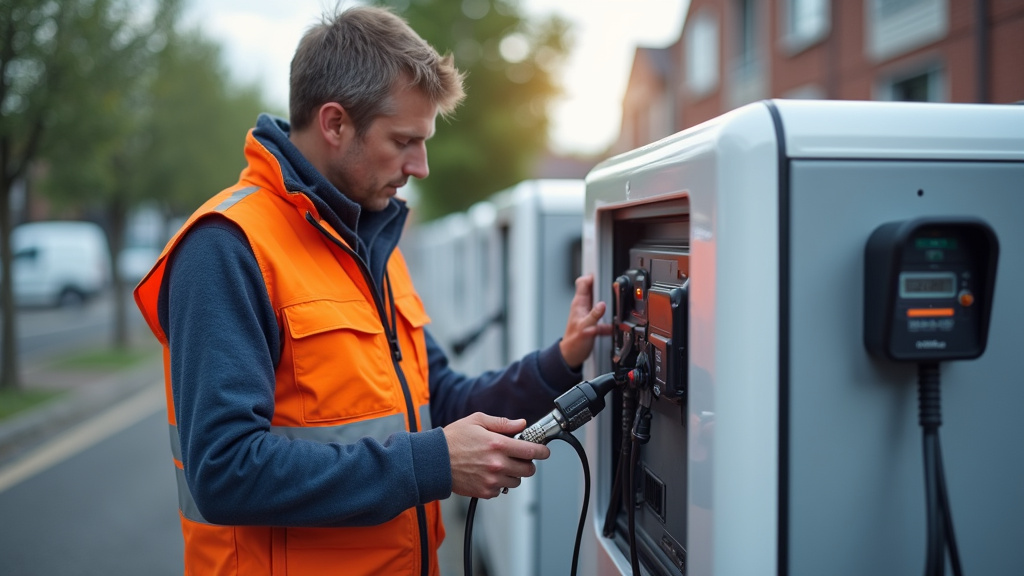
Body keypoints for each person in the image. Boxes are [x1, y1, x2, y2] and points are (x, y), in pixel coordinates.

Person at [134, 6, 609, 576]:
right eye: (404, 140)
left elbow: (443, 400)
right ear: (335, 124)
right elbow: (226, 470)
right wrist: (431, 463)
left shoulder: (370, 241)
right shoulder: (227, 248)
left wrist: (562, 361)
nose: (422, 166)